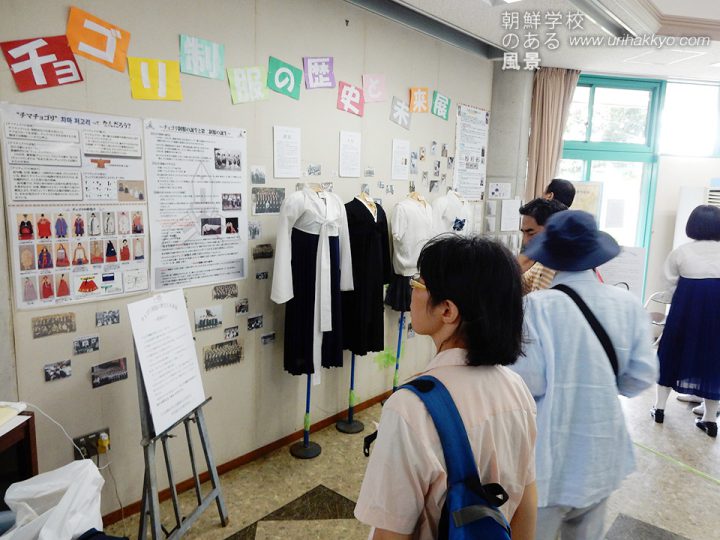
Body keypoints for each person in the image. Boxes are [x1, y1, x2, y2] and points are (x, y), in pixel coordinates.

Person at [355, 235, 538, 540]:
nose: (412, 289)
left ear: (448, 311)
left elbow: (390, 532)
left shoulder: (411, 407)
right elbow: (526, 504)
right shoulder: (516, 387)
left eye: (419, 282)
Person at [510, 211, 657, 540]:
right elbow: (640, 379)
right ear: (595, 256)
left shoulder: (536, 308)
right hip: (600, 456)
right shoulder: (628, 305)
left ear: (549, 255)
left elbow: (525, 381)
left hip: (547, 459)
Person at [652, 204, 720, 437]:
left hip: (685, 311)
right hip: (717, 316)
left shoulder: (681, 252)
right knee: (714, 360)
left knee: (671, 354)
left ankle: (660, 409)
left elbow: (669, 284)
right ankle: (710, 419)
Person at [517, 198, 567, 290]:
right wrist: (516, 269)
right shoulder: (542, 264)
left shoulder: (570, 273)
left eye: (531, 233)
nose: (525, 241)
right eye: (524, 233)